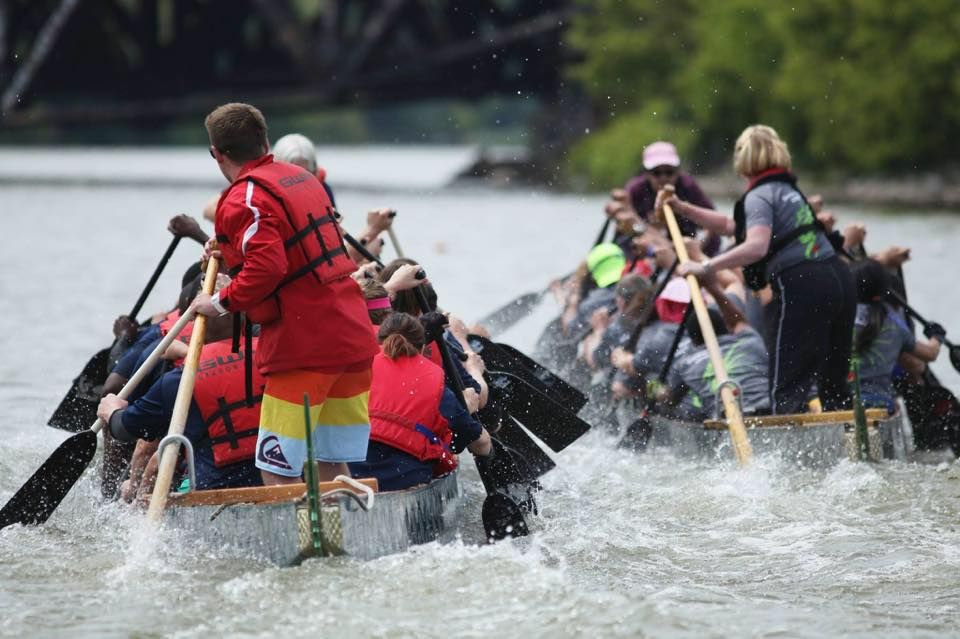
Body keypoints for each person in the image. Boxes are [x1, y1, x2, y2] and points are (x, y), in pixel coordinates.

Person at [194, 102, 379, 485]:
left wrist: (217, 303)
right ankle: (342, 538)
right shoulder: (305, 179)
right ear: (264, 141)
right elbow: (290, 253)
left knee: (275, 468)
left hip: (304, 350)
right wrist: (229, 251)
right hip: (353, 341)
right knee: (330, 465)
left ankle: (304, 545)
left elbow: (269, 267)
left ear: (218, 154)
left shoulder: (242, 198)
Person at [665, 124, 856, 414]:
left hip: (802, 283)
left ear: (744, 158)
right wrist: (684, 209)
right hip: (839, 278)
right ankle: (846, 439)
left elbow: (756, 246)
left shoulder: (759, 196)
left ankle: (786, 451)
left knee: (785, 382)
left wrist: (705, 266)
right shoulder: (787, 190)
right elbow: (733, 226)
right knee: (833, 381)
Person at [96, 308, 265, 496]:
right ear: (244, 325)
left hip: (212, 491)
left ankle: (127, 501)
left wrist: (112, 411)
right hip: (278, 480)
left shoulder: (177, 381)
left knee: (149, 462)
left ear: (194, 329)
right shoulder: (273, 360)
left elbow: (125, 430)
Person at [349, 313, 492, 491]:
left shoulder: (357, 368)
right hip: (402, 478)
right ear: (424, 347)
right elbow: (482, 443)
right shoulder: (434, 382)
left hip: (348, 475)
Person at [660, 279, 770, 420]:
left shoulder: (685, 364)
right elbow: (737, 320)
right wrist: (712, 287)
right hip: (769, 409)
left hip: (726, 420)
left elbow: (670, 400)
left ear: (694, 341)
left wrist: (654, 389)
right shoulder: (751, 339)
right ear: (726, 327)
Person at [850, 260, 942, 413]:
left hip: (842, 402)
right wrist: (937, 337)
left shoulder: (837, 317)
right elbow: (930, 354)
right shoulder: (895, 325)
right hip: (880, 403)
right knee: (895, 405)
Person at [612, 141, 720, 256]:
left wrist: (698, 246)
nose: (663, 178)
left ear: (678, 171)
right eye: (656, 173)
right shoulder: (635, 190)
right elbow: (622, 230)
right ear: (646, 173)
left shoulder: (688, 186)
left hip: (692, 251)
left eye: (669, 172)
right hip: (648, 252)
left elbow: (712, 222)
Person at [271, 132, 337, 206]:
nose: (300, 181)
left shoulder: (324, 190)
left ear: (314, 171)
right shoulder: (268, 195)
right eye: (293, 175)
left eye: (305, 173)